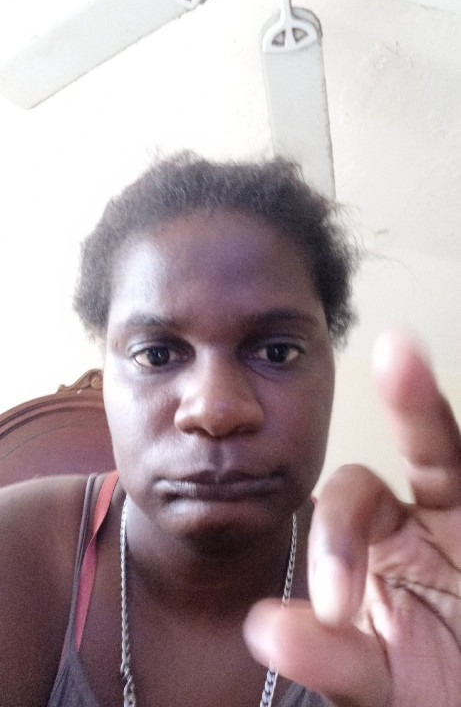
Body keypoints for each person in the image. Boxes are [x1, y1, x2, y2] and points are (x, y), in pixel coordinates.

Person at [0, 152, 460, 707]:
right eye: (156, 354)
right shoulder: (14, 556)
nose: (216, 411)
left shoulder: (400, 608)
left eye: (277, 351)